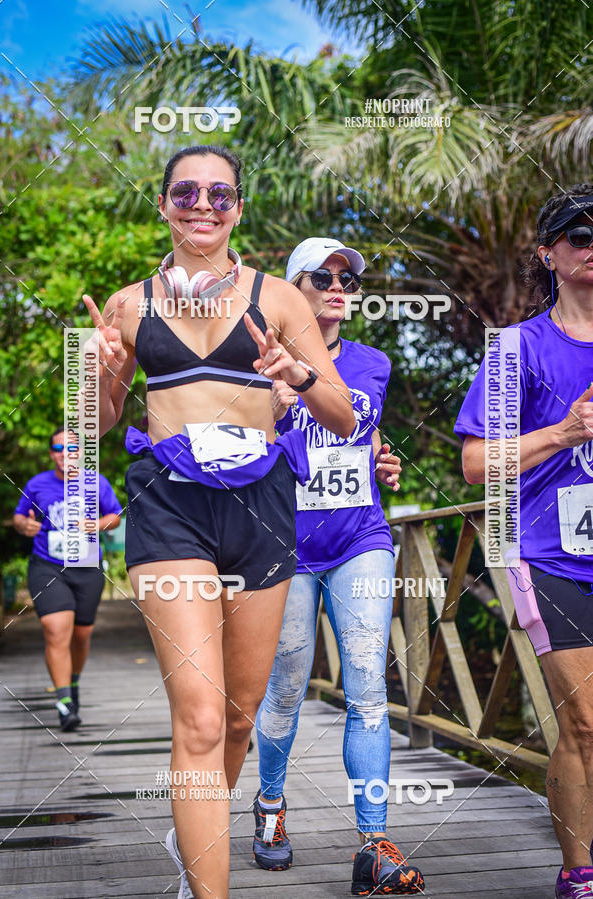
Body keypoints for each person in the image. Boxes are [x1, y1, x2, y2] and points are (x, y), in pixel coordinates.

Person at [82, 145, 355, 899]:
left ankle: (194, 827)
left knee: (238, 717)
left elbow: (340, 414)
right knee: (199, 718)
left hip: (261, 505)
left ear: (239, 205)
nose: (203, 204)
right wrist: (101, 368)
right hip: (169, 504)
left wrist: (296, 373)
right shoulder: (129, 303)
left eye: (220, 193)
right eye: (186, 191)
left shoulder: (281, 300)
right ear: (165, 202)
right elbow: (98, 421)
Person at [252, 238, 425, 895]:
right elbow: (247, 441)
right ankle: (270, 804)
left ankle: (373, 843)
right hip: (286, 546)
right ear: (293, 288)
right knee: (288, 685)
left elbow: (365, 432)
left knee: (367, 683)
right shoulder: (261, 355)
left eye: (346, 278)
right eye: (320, 276)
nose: (337, 286)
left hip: (362, 538)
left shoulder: (373, 362)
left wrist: (384, 461)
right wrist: (275, 385)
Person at [454, 184, 593, 899]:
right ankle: (578, 871)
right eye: (579, 236)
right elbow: (477, 463)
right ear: (548, 253)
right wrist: (564, 433)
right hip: (549, 551)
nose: (592, 246)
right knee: (586, 719)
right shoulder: (517, 349)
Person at [13, 428, 122, 731]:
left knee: (81, 634)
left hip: (87, 567)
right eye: (58, 448)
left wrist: (97, 523)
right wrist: (25, 526)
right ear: (51, 453)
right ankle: (64, 703)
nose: (65, 453)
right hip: (47, 566)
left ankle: (72, 684)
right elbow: (20, 517)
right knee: (55, 628)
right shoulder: (36, 485)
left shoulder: (96, 483)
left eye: (72, 448)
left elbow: (115, 515)